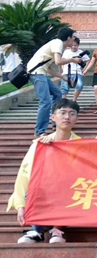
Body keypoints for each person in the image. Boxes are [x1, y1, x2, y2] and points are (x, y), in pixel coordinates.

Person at [10, 99, 81, 244]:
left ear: (76, 119)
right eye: (63, 113)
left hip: (69, 190)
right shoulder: (40, 145)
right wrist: (20, 206)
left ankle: (57, 229)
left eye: (72, 114)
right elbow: (24, 176)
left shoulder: (81, 145)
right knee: (35, 188)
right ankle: (37, 230)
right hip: (45, 189)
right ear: (53, 117)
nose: (67, 117)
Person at [27, 27, 80, 137]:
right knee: (45, 101)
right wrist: (73, 60)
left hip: (41, 72)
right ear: (68, 38)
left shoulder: (56, 44)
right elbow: (58, 61)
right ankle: (40, 130)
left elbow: (49, 69)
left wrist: (64, 78)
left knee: (58, 94)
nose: (73, 40)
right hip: (37, 73)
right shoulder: (58, 43)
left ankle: (55, 122)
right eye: (73, 37)